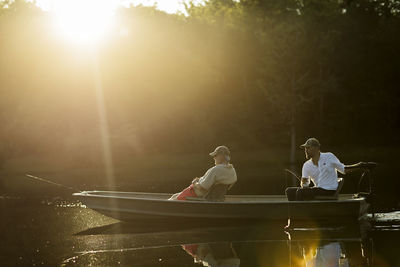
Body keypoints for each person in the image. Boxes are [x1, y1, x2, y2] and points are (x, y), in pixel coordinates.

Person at [286, 138, 367, 201]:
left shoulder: (329, 156)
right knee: (289, 191)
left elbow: (344, 170)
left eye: (308, 148)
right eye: (305, 148)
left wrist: (360, 165)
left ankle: (300, 214)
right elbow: (305, 185)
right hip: (317, 189)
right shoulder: (306, 165)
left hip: (329, 190)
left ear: (316, 148)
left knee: (300, 192)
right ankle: (299, 212)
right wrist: (303, 183)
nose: (306, 150)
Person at [169, 145, 237, 201]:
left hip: (197, 193)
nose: (214, 158)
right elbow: (230, 183)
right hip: (208, 193)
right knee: (174, 195)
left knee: (174, 199)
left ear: (221, 156)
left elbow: (203, 187)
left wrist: (195, 182)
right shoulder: (231, 170)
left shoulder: (215, 170)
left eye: (215, 156)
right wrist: (201, 180)